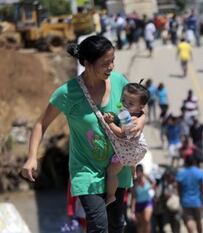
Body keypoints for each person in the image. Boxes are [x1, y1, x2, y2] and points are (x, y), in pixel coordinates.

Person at [21, 35, 145, 233]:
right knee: (98, 226)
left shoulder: (120, 81)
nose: (111, 66)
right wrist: (31, 158)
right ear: (87, 63)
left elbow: (138, 109)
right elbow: (40, 124)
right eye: (105, 63)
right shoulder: (68, 93)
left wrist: (139, 122)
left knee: (117, 225)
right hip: (86, 169)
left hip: (117, 164)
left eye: (113, 60)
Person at [103, 82, 149, 205]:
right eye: (124, 100)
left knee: (111, 172)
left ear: (140, 107)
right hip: (138, 149)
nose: (125, 105)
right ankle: (132, 170)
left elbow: (121, 133)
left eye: (130, 103)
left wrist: (110, 123)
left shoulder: (127, 117)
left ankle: (111, 195)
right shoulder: (140, 115)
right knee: (131, 157)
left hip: (127, 152)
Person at [176, 156, 203, 233]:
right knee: (199, 221)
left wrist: (180, 199)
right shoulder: (199, 172)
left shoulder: (181, 173)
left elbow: (178, 188)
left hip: (185, 201)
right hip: (197, 201)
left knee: (189, 220)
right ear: (194, 163)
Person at [130, 164, 155, 233]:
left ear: (142, 172)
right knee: (140, 224)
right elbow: (133, 197)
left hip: (147, 202)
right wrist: (132, 211)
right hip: (138, 204)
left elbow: (154, 183)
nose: (138, 174)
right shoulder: (134, 182)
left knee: (146, 221)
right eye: (137, 172)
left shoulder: (147, 178)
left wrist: (150, 188)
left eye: (139, 172)